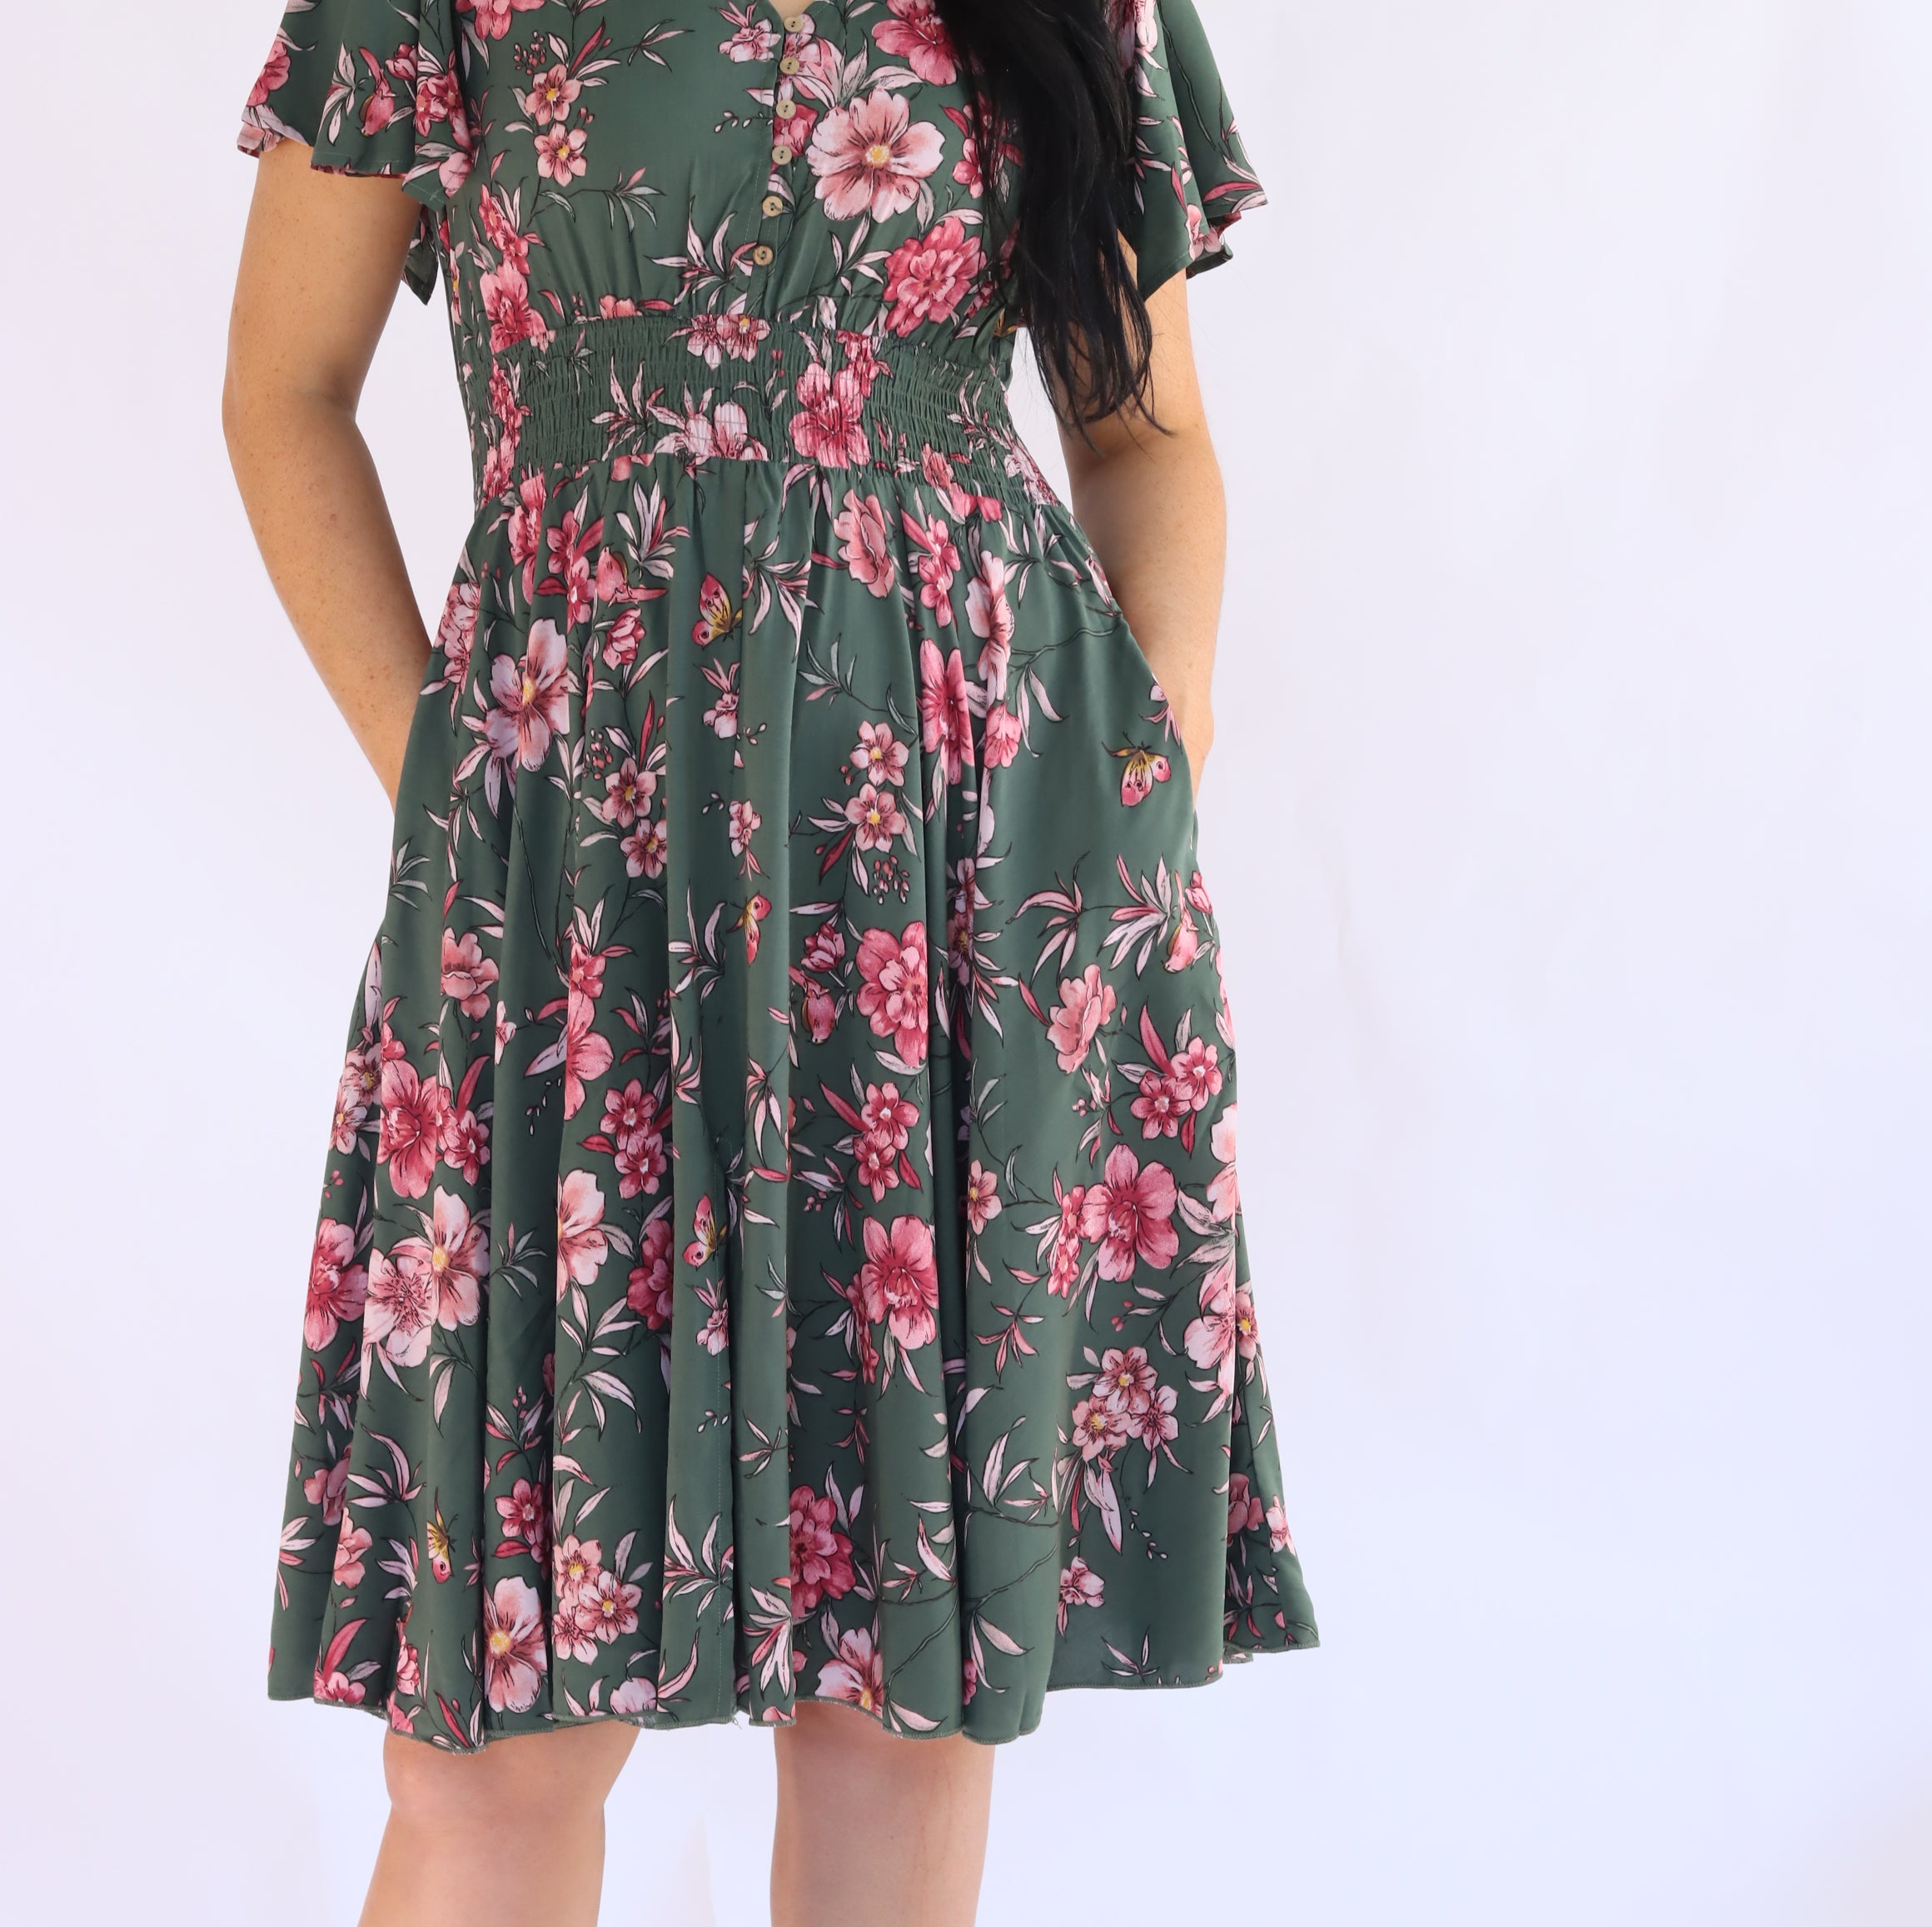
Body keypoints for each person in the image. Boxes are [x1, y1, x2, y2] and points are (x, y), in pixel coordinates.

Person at [223, 0, 1317, 1920]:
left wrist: (1152, 753)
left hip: (971, 884)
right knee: (495, 1733)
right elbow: (281, 386)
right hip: (571, 885)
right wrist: (454, 780)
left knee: (900, 1715)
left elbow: (1148, 436)